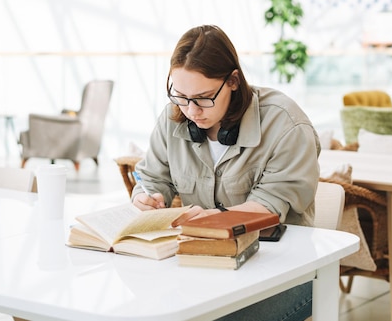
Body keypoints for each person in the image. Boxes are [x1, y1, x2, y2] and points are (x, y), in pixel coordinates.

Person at [131, 24, 320, 321]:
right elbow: (151, 178)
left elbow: (270, 204)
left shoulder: (286, 125)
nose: (191, 111)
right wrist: (147, 198)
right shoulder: (172, 118)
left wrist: (212, 221)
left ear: (233, 80)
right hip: (204, 268)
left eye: (204, 97)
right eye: (180, 95)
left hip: (280, 272)